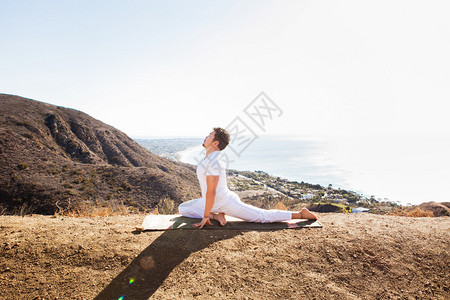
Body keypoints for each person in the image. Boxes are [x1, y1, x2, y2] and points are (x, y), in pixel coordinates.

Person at [178, 127, 318, 229]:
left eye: (209, 135)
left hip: (226, 202)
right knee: (183, 208)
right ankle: (218, 215)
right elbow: (206, 187)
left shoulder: (214, 162)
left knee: (262, 217)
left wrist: (206, 216)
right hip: (212, 203)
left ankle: (300, 214)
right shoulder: (207, 158)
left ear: (215, 143)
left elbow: (212, 192)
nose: (206, 137)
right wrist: (210, 213)